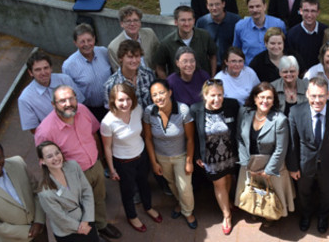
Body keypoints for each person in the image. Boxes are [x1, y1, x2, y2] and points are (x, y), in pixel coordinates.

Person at [33, 86, 121, 241]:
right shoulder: (45, 131)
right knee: (82, 206)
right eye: (62, 101)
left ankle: (101, 225)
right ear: (54, 105)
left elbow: (94, 132)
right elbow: (45, 160)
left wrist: (101, 160)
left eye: (71, 98)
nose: (68, 103)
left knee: (99, 198)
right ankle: (92, 232)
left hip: (95, 165)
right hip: (73, 175)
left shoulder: (83, 110)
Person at [287, 77, 329, 234]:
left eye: (321, 96)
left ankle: (323, 217)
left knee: (326, 192)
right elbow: (292, 142)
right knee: (304, 191)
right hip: (304, 163)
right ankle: (306, 215)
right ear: (307, 94)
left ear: (327, 94)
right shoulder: (295, 112)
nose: (317, 100)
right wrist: (293, 167)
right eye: (313, 96)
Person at [100, 84, 161, 233]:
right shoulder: (107, 122)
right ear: (113, 101)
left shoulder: (137, 110)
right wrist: (112, 169)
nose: (125, 103)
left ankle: (148, 207)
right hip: (123, 162)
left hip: (141, 155)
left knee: (144, 184)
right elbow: (107, 147)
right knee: (128, 191)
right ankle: (132, 216)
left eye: (128, 99)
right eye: (121, 100)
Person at [234, 82, 296, 223]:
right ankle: (255, 210)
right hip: (249, 163)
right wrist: (246, 163)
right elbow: (239, 138)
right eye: (261, 97)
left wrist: (269, 170)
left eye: (269, 98)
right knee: (253, 191)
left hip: (271, 164)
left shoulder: (280, 120)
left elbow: (280, 149)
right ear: (255, 98)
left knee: (270, 194)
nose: (265, 101)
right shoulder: (244, 112)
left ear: (274, 100)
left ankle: (270, 214)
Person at [142, 80, 198, 229]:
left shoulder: (182, 110)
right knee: (172, 184)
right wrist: (154, 162)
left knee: (184, 187)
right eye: (154, 95)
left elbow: (190, 139)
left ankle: (188, 212)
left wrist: (189, 161)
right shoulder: (149, 111)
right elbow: (147, 138)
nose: (159, 97)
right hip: (161, 157)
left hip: (180, 155)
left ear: (170, 93)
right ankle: (180, 204)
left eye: (161, 93)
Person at [191, 79, 240, 235]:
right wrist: (197, 155)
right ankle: (227, 215)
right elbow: (194, 135)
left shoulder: (232, 105)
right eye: (212, 95)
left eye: (220, 95)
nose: (217, 99)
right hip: (211, 157)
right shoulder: (196, 109)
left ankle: (227, 201)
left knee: (227, 179)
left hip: (230, 154)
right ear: (205, 95)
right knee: (218, 184)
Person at [36, 141, 98, 242]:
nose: (56, 158)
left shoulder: (73, 166)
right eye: (50, 156)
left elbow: (87, 191)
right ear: (42, 161)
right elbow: (59, 218)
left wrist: (86, 219)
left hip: (87, 217)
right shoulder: (44, 192)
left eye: (57, 153)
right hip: (69, 232)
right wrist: (80, 227)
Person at [18, 51, 83, 133]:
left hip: (78, 126)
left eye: (46, 68)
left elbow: (81, 105)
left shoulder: (65, 80)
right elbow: (34, 129)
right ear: (30, 72)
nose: (43, 73)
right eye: (38, 70)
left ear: (51, 68)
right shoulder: (25, 99)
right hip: (54, 135)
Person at [62, 23, 111, 120]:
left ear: (94, 39)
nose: (87, 44)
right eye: (82, 41)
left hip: (112, 105)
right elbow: (70, 93)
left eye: (89, 40)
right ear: (75, 43)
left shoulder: (104, 52)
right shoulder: (68, 66)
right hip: (90, 111)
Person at [155, 5, 217, 78]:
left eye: (189, 19)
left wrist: (212, 78)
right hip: (178, 86)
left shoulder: (204, 36)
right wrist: (167, 85)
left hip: (203, 83)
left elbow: (213, 56)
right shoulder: (166, 43)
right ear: (175, 22)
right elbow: (159, 67)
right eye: (183, 20)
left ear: (194, 20)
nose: (187, 24)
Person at [233, 0, 286, 65]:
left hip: (274, 70)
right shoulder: (240, 27)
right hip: (250, 71)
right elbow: (236, 51)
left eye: (258, 6)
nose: (255, 10)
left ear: (265, 6)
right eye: (251, 7)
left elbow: (285, 48)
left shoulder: (278, 24)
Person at [103, 40, 155, 110]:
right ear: (121, 58)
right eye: (130, 57)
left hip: (150, 119)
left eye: (137, 56)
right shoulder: (111, 85)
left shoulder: (148, 74)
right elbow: (112, 111)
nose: (134, 60)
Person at [195, 0, 241, 69]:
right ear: (207, 6)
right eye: (211, 5)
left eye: (217, 4)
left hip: (232, 65)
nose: (214, 8)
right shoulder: (201, 22)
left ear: (223, 4)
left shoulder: (236, 20)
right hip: (210, 67)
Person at [285, 0, 328, 75]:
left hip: (322, 74)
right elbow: (290, 59)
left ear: (318, 12)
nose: (309, 15)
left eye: (313, 11)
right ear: (301, 11)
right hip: (300, 76)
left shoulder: (326, 31)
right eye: (306, 10)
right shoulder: (292, 34)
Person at [107, 5, 160, 70]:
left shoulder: (150, 34)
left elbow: (158, 58)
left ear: (140, 22)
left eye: (135, 20)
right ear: (122, 24)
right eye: (128, 21)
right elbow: (118, 72)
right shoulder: (114, 47)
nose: (132, 24)